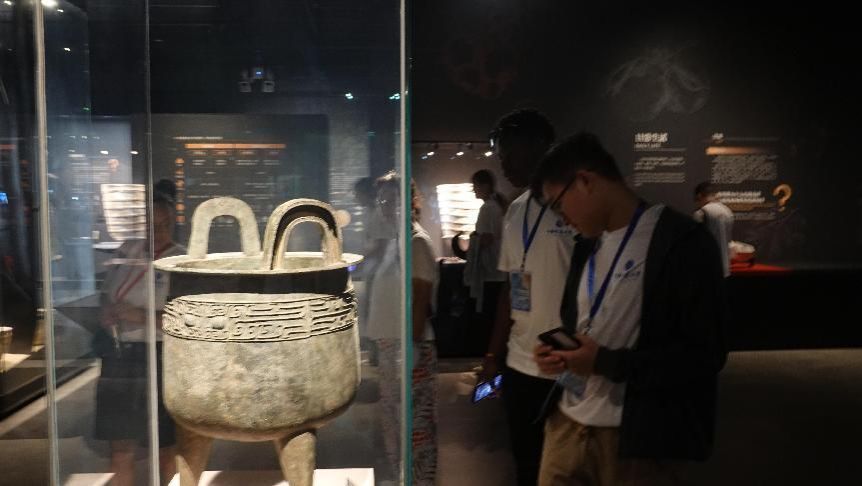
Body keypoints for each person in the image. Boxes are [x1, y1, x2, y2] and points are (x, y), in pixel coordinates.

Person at [532, 132, 727, 486]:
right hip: (566, 426)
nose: (562, 219)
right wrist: (561, 356)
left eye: (558, 205)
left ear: (585, 181)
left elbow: (704, 355)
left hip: (638, 443)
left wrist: (604, 362)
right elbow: (580, 325)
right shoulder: (585, 247)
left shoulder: (683, 242)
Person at [480, 109, 576, 486]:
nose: (503, 164)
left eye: (509, 153)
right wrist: (493, 355)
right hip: (519, 362)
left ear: (541, 147)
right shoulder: (516, 210)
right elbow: (511, 286)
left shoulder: (574, 205)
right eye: (500, 154)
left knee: (566, 467)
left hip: (565, 362)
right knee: (526, 463)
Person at [94, 193, 184, 486]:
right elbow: (107, 292)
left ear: (173, 224)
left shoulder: (181, 260)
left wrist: (141, 316)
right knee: (120, 446)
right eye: (153, 224)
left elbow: (189, 320)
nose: (159, 231)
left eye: (165, 224)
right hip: (120, 356)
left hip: (161, 356)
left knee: (167, 447)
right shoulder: (128, 250)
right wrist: (106, 311)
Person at [365, 172, 438, 485]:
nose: (386, 205)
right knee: (393, 420)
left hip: (409, 347)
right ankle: (400, 477)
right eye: (382, 199)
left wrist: (411, 351)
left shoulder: (417, 242)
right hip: (392, 344)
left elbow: (420, 301)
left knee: (415, 427)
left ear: (410, 201)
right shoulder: (397, 241)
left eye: (393, 199)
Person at [463, 169, 507, 349]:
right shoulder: (496, 207)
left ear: (485, 186)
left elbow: (487, 238)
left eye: (475, 186)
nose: (474, 190)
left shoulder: (488, 208)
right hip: (497, 270)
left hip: (490, 270)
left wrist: (474, 240)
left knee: (489, 317)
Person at [693, 182, 734, 277]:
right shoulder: (727, 211)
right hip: (725, 268)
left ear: (699, 196)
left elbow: (695, 242)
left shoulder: (701, 213)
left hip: (706, 267)